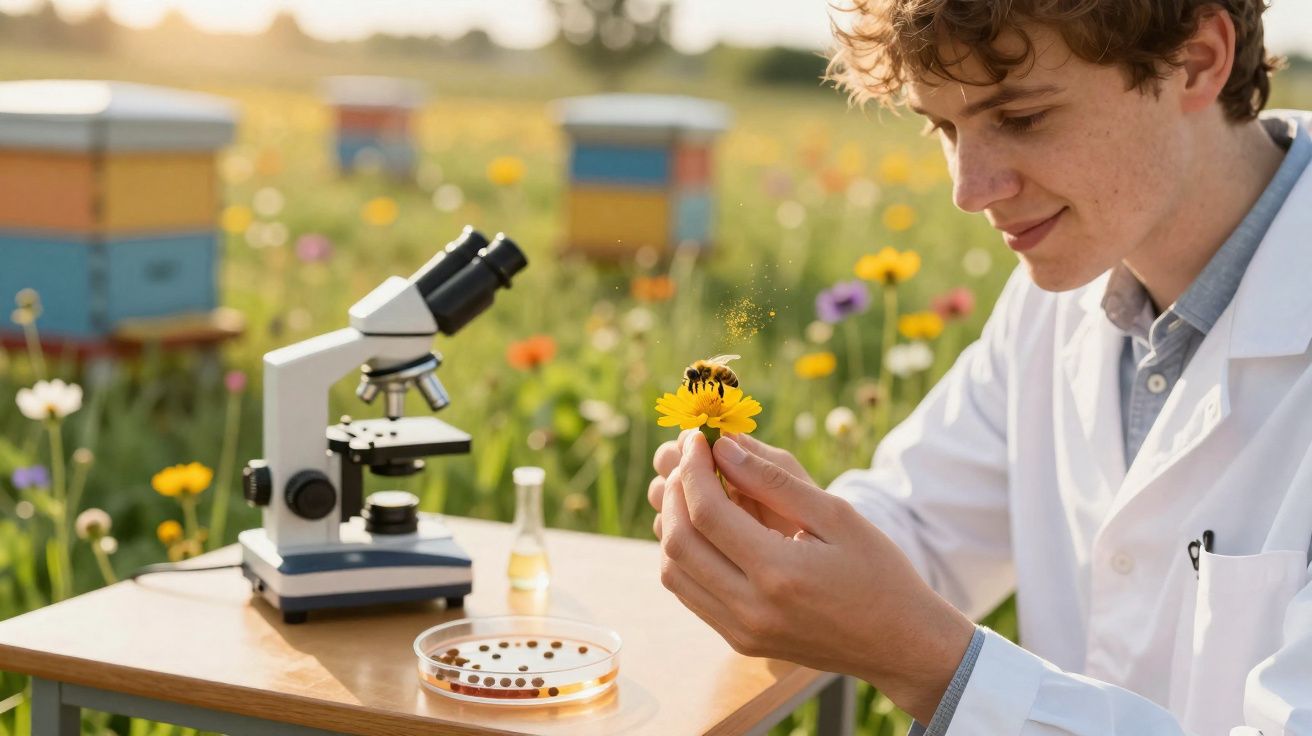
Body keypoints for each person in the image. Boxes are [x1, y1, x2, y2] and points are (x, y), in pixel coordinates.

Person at [646, 1, 1312, 734]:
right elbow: (921, 523)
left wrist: (935, 667)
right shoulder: (1062, 297)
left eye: (1022, 117)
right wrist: (786, 543)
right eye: (945, 127)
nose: (969, 188)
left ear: (1196, 61)